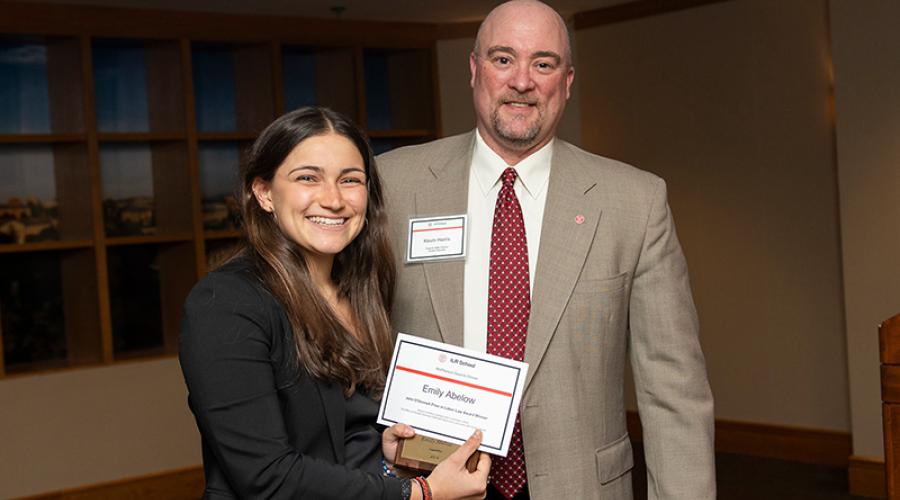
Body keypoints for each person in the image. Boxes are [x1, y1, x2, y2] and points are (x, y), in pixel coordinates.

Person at [377, 1, 715, 499]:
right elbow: (349, 346)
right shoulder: (394, 183)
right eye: (502, 58)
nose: (522, 81)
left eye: (543, 63)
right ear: (474, 70)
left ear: (568, 80)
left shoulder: (634, 202)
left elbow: (674, 391)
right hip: (429, 483)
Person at [179, 107, 490, 500]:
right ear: (264, 192)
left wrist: (386, 459)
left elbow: (337, 443)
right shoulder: (225, 304)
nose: (333, 199)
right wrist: (420, 494)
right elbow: (266, 477)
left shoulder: (362, 291)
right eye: (308, 178)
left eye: (351, 180)